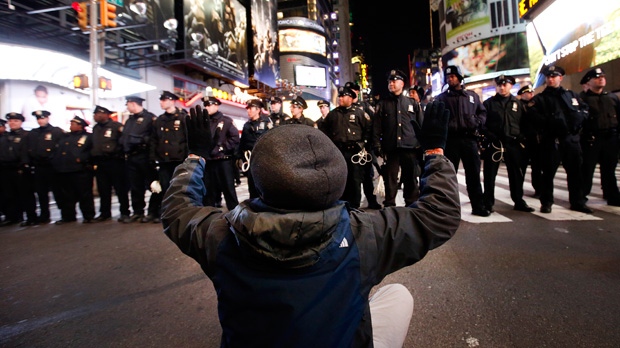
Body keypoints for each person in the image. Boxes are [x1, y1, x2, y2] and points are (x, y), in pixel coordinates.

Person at [162, 100, 460, 347]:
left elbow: (177, 209)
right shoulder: (363, 234)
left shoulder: (221, 234)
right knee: (397, 295)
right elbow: (439, 214)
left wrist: (194, 157)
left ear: (261, 180)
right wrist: (434, 153)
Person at [527, 65, 591, 213]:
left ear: (560, 78)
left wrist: (579, 118)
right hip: (551, 140)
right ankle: (547, 202)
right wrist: (551, 123)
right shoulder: (539, 99)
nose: (550, 79)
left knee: (575, 173)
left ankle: (578, 202)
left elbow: (584, 109)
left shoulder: (571, 95)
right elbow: (533, 117)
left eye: (554, 76)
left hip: (570, 139)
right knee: (548, 174)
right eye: (548, 77)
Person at [435, 65, 489, 216]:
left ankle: (478, 206)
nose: (450, 79)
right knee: (448, 176)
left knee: (473, 175)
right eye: (448, 77)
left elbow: (482, 112)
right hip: (451, 141)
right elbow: (436, 117)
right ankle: (449, 209)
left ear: (459, 77)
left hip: (470, 140)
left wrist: (477, 122)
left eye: (453, 76)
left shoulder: (471, 96)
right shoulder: (442, 98)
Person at [482, 75, 534, 213]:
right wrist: (489, 136)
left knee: (516, 174)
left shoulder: (518, 104)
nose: (502, 87)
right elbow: (481, 123)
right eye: (499, 85)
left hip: (513, 143)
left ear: (511, 86)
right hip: (495, 144)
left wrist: (521, 137)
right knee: (489, 175)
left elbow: (525, 124)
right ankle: (488, 203)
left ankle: (518, 201)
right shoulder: (488, 104)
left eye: (505, 84)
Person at [373, 69, 423, 207]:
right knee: (390, 180)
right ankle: (389, 207)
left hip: (410, 148)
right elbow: (377, 127)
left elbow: (421, 126)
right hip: (391, 148)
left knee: (411, 180)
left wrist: (421, 146)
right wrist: (377, 145)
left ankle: (411, 206)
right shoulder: (383, 104)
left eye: (394, 81)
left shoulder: (412, 103)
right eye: (390, 81)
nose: (391, 83)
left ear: (402, 83)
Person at [321, 86, 372, 209]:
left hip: (355, 153)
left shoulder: (359, 113)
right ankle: (343, 204)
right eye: (340, 96)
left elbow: (369, 129)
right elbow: (324, 130)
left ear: (350, 98)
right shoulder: (333, 114)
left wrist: (364, 143)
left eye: (343, 96)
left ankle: (354, 206)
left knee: (355, 180)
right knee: (341, 178)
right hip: (339, 152)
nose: (340, 98)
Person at [579, 67, 620, 206]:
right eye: (596, 77)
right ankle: (581, 197)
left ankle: (612, 195)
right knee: (587, 169)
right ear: (588, 83)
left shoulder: (612, 98)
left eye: (602, 76)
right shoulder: (582, 99)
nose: (601, 79)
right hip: (591, 139)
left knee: (609, 169)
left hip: (610, 138)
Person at [150, 91, 188, 223]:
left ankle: (181, 213)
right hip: (164, 161)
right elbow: (154, 140)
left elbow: (187, 139)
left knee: (179, 188)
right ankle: (167, 213)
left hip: (179, 160)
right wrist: (153, 158)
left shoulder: (183, 117)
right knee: (165, 188)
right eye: (161, 100)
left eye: (164, 100)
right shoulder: (160, 120)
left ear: (172, 101)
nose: (161, 102)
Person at [120, 96, 159, 223]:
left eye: (128, 104)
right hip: (131, 157)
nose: (127, 107)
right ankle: (138, 212)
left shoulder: (149, 118)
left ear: (133, 104)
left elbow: (154, 137)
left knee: (153, 186)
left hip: (145, 156)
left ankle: (153, 212)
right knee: (135, 186)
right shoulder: (130, 120)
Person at [344, 81, 382, 210]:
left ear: (358, 92)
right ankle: (352, 203)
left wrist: (368, 143)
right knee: (351, 179)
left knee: (367, 177)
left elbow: (373, 126)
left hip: (365, 149)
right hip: (350, 150)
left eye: (354, 91)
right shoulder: (343, 110)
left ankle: (371, 201)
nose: (351, 93)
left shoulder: (365, 106)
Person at [23, 110, 65, 224]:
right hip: (39, 166)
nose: (41, 120)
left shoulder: (56, 131)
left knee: (58, 192)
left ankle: (65, 214)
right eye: (39, 119)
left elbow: (61, 149)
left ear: (47, 118)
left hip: (53, 166)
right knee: (41, 193)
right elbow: (28, 150)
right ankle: (44, 215)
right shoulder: (33, 133)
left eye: (43, 118)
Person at [91, 105, 132, 222]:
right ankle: (105, 213)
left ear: (104, 114)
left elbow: (124, 142)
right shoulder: (96, 128)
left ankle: (124, 212)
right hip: (101, 162)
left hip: (115, 162)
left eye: (97, 114)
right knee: (103, 189)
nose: (95, 117)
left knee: (120, 189)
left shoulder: (116, 126)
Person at [52, 116, 96, 224]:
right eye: (71, 124)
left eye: (74, 124)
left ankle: (88, 215)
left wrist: (83, 159)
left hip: (80, 170)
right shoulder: (65, 137)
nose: (71, 126)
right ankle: (68, 216)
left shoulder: (88, 137)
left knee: (84, 194)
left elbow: (92, 151)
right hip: (64, 170)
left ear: (80, 126)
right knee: (67, 196)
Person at [0, 113, 37, 226]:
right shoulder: (4, 136)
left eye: (15, 121)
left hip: (20, 168)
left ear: (21, 122)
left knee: (25, 194)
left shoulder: (26, 135)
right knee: (9, 194)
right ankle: (13, 217)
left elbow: (28, 152)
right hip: (5, 168)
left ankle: (31, 217)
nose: (12, 123)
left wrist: (25, 165)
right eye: (10, 121)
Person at [203, 96, 240, 210]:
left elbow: (235, 138)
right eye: (206, 105)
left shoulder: (226, 121)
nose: (207, 108)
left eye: (210, 105)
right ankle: (208, 217)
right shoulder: (203, 121)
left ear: (216, 105)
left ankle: (236, 216)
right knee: (208, 191)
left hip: (223, 160)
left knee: (229, 190)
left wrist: (222, 148)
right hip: (208, 161)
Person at [237, 99, 272, 199]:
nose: (248, 111)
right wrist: (239, 157)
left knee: (264, 186)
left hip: (264, 159)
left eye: (250, 108)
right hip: (251, 159)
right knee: (252, 187)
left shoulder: (267, 123)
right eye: (247, 109)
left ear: (258, 110)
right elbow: (243, 142)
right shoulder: (247, 125)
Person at [517, 84, 543, 198]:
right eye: (528, 93)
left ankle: (538, 188)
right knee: (520, 168)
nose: (531, 94)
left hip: (535, 140)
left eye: (532, 92)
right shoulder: (518, 106)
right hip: (523, 140)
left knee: (537, 167)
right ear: (522, 94)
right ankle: (518, 190)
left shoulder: (535, 106)